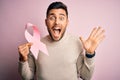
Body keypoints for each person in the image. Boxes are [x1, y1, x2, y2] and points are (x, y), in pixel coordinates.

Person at [18, 1, 105, 80]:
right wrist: (23, 59)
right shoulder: (36, 45)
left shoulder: (76, 42)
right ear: (46, 22)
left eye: (61, 18)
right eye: (52, 18)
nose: (56, 22)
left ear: (67, 22)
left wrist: (90, 53)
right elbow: (27, 77)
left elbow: (86, 76)